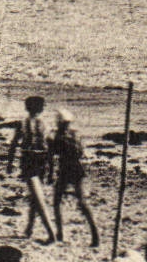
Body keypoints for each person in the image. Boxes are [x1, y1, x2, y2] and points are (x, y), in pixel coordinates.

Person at [9, 95, 58, 243]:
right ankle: (30, 228)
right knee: (36, 196)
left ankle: (51, 234)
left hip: (29, 161)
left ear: (26, 107)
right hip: (42, 162)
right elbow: (51, 149)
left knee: (38, 198)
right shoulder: (46, 125)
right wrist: (51, 170)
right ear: (42, 109)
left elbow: (13, 144)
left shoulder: (23, 123)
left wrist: (9, 163)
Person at [51, 109, 99, 247]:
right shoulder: (75, 135)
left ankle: (60, 233)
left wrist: (49, 173)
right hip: (77, 169)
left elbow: (52, 155)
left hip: (65, 170)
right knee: (82, 203)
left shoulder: (58, 137)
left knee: (57, 201)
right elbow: (81, 152)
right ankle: (95, 233)